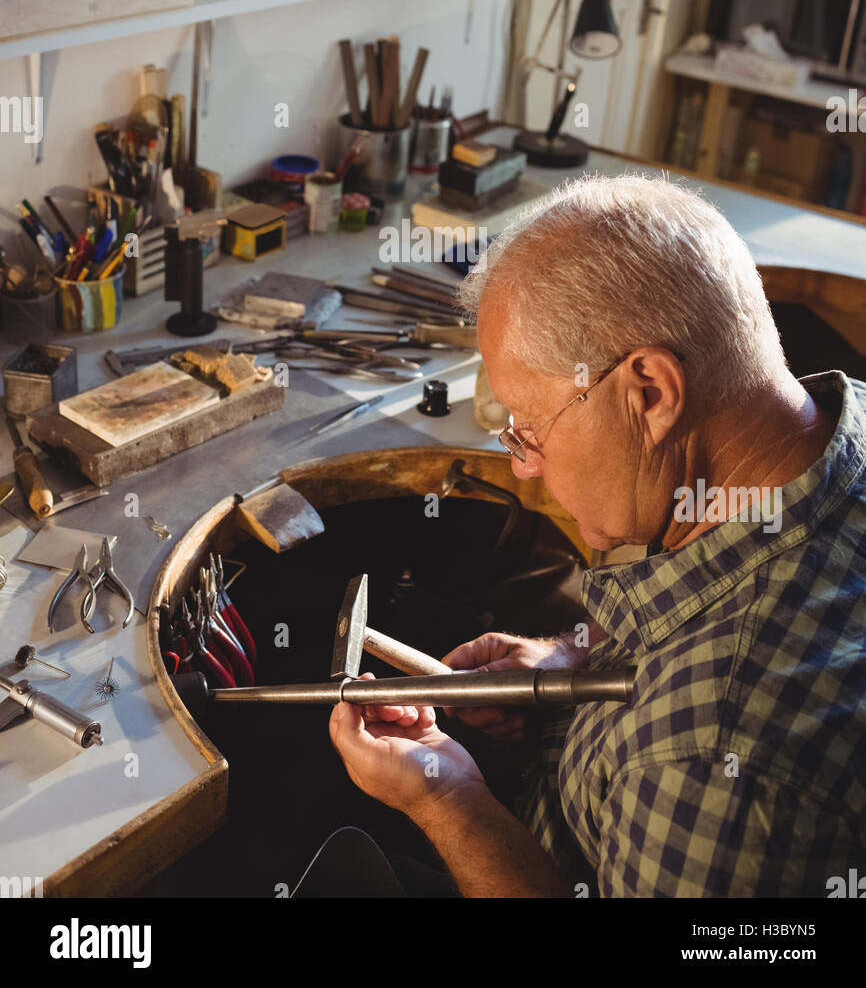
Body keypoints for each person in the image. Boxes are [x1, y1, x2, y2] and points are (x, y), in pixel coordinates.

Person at [330, 175, 865, 897]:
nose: (523, 465)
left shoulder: (715, 761)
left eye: (528, 426)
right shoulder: (829, 437)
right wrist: (569, 666)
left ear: (650, 392)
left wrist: (449, 802)